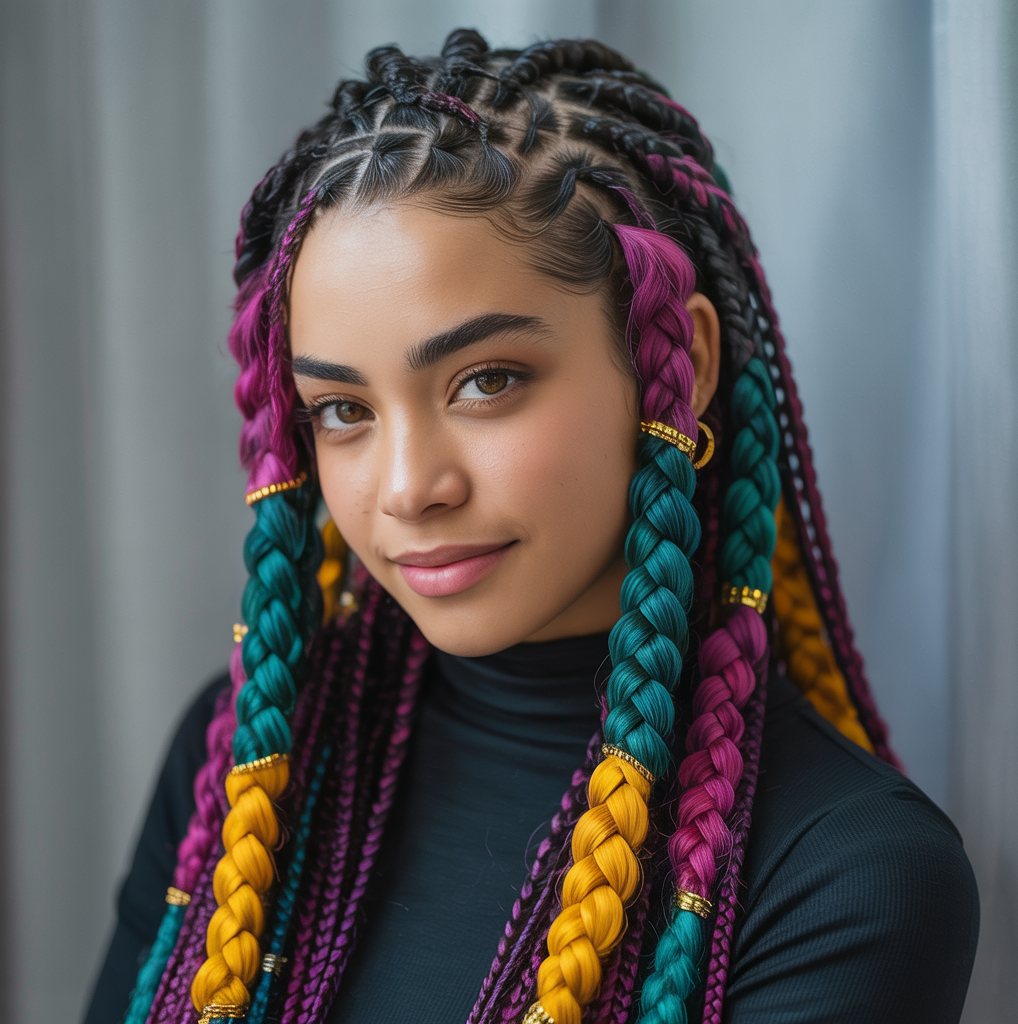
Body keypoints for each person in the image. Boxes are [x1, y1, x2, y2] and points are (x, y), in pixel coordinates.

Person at [83, 29, 979, 1024]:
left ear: (678, 354)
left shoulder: (843, 874)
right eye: (343, 410)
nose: (408, 486)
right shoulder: (245, 752)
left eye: (486, 381)